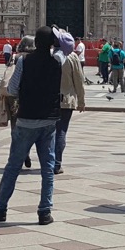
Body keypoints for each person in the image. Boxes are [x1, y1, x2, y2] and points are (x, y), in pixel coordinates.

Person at [0, 26, 67, 224]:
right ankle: (44, 212)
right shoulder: (58, 60)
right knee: (47, 168)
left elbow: (13, 89)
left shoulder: (24, 61)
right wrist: (58, 40)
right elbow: (68, 45)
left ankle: (0, 209)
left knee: (13, 166)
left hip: (26, 120)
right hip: (49, 121)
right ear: (52, 43)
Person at [52, 31, 86, 175]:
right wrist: (81, 101)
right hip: (66, 100)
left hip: (49, 100)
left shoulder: (50, 56)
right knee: (61, 132)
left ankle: (48, 161)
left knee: (49, 133)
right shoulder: (72, 58)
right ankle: (57, 163)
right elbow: (79, 80)